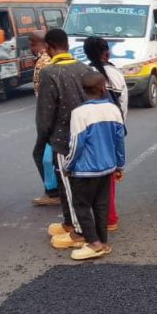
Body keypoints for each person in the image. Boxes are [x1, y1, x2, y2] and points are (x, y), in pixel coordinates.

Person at [36, 28, 94, 249]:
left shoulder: (50, 73)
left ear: (49, 48)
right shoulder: (84, 68)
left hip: (63, 138)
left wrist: (43, 138)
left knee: (69, 184)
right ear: (67, 45)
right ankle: (70, 223)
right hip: (86, 135)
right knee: (70, 182)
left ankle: (78, 233)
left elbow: (45, 113)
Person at [59, 72, 126, 261]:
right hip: (108, 167)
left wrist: (68, 165)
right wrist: (119, 165)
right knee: (101, 205)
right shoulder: (113, 109)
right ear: (103, 88)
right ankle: (103, 242)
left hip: (84, 170)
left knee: (81, 205)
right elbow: (119, 140)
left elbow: (76, 144)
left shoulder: (79, 113)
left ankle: (93, 243)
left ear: (83, 90)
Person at [83, 36, 128, 233]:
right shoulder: (116, 74)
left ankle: (89, 221)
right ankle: (110, 218)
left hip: (89, 130)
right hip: (112, 128)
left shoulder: (84, 74)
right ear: (106, 53)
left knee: (87, 177)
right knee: (108, 175)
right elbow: (124, 104)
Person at [30, 30, 60, 206]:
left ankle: (52, 192)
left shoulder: (44, 63)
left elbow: (47, 95)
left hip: (49, 116)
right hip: (55, 115)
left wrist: (45, 122)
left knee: (41, 155)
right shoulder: (48, 60)